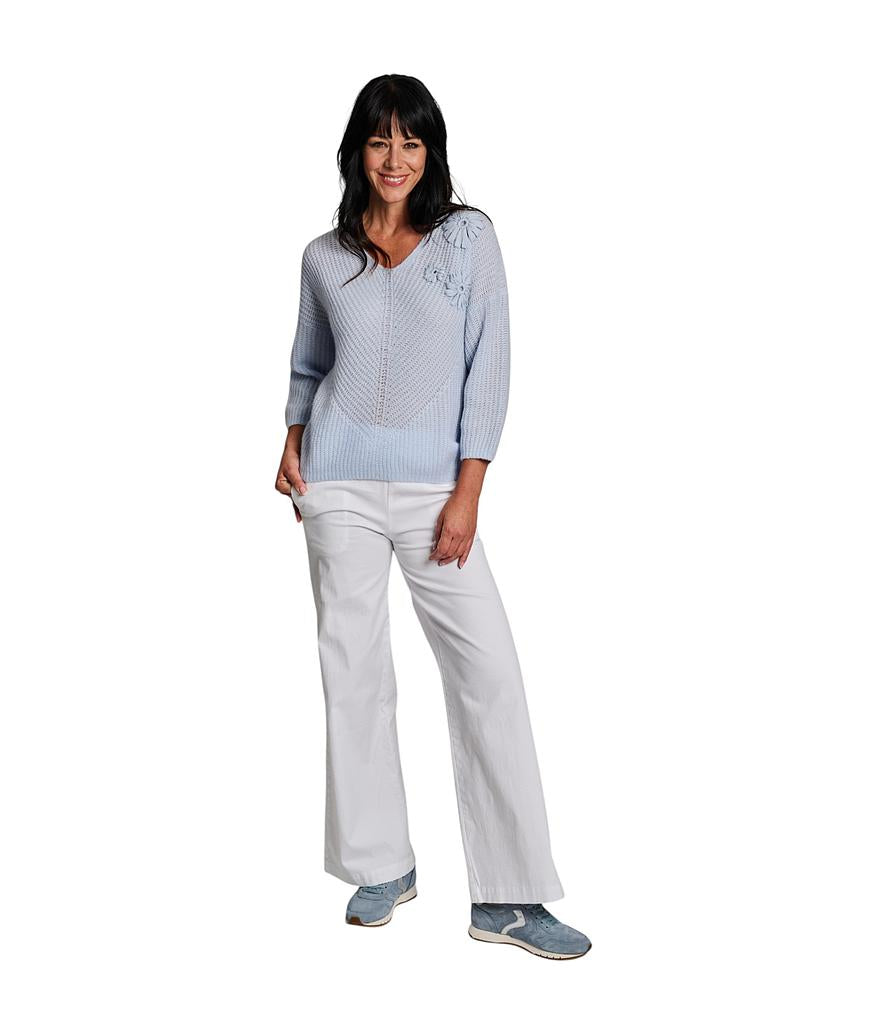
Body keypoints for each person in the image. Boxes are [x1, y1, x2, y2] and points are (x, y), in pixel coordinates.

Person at [275, 74, 591, 960]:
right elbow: (308, 364)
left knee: (488, 673)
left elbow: (490, 363)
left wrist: (469, 489)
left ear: (430, 150)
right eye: (379, 141)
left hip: (433, 494)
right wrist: (293, 442)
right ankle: (381, 866)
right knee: (353, 671)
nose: (395, 158)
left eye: (410, 141)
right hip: (335, 484)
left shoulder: (467, 239)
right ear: (357, 150)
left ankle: (510, 896)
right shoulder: (324, 256)